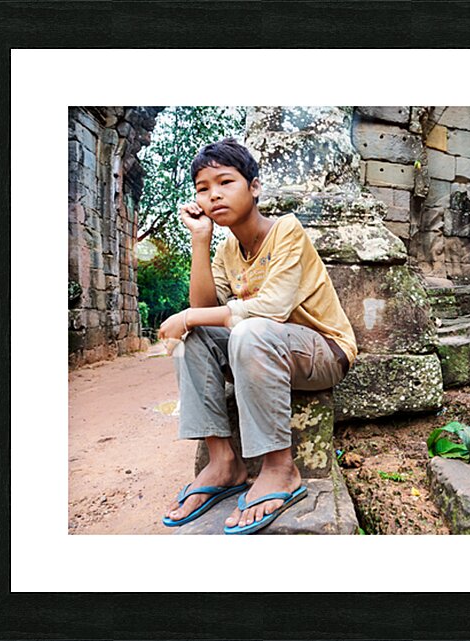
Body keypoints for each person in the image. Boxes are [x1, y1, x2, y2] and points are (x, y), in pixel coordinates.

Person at [158, 137, 357, 535]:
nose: (213, 194)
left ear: (254, 186)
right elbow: (203, 309)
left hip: (323, 352)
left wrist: (190, 314)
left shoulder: (287, 230)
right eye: (203, 188)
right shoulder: (227, 251)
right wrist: (201, 240)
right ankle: (223, 463)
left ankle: (280, 468)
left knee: (249, 328)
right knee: (194, 336)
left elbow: (274, 308)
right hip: (264, 348)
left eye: (225, 182)